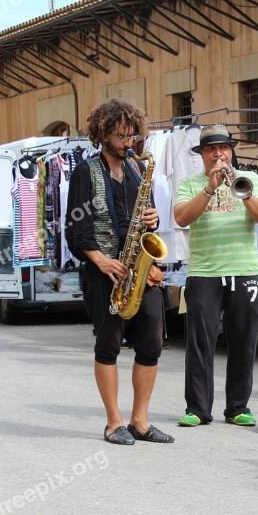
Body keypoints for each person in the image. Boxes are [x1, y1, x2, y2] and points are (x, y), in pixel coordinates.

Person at [65, 98, 174, 445]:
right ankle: (114, 422)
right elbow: (74, 230)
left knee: (152, 343)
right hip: (105, 272)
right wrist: (101, 260)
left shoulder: (137, 170)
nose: (129, 143)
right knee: (108, 344)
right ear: (103, 134)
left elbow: (148, 216)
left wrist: (154, 220)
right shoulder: (86, 172)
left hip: (139, 269)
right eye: (121, 136)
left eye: (131, 135)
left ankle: (140, 420)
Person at [173, 124, 258, 427]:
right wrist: (210, 188)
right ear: (201, 154)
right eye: (211, 149)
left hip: (245, 271)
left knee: (244, 340)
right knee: (200, 341)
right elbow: (182, 218)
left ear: (231, 151)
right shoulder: (190, 184)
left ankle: (238, 407)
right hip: (204, 273)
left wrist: (239, 189)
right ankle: (198, 409)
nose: (218, 154)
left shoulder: (250, 178)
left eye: (224, 148)